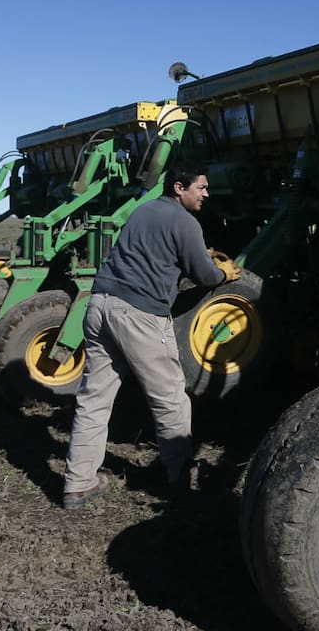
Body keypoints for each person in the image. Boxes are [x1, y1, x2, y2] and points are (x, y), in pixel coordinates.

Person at [61, 164, 236, 509]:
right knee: (170, 396)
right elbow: (202, 273)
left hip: (99, 306)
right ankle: (178, 477)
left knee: (94, 399)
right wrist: (222, 272)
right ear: (178, 188)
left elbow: (154, 256)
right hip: (138, 315)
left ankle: (78, 483)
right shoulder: (186, 222)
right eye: (200, 188)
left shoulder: (143, 211)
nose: (206, 194)